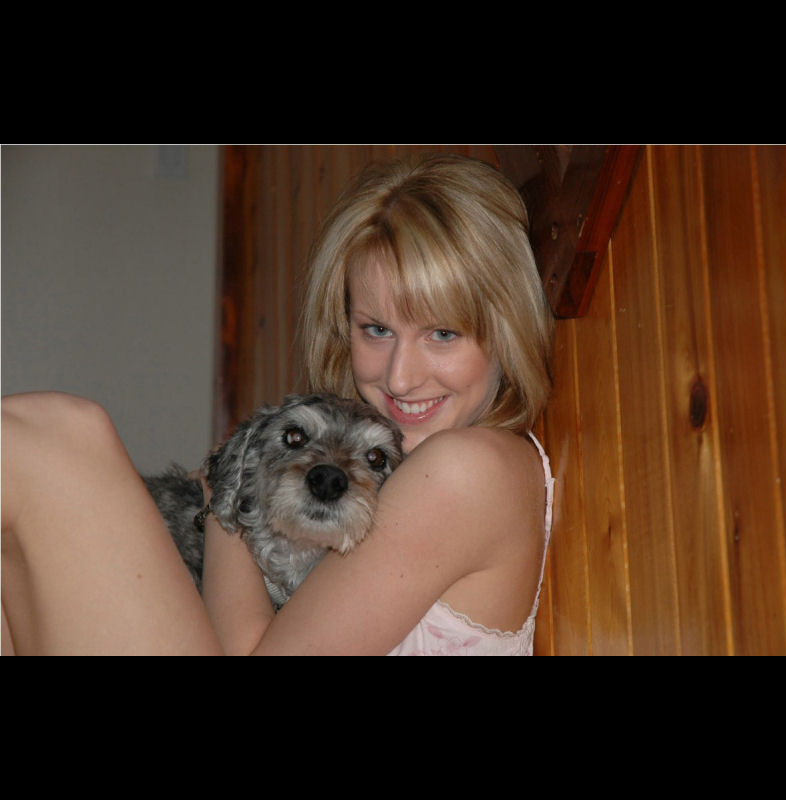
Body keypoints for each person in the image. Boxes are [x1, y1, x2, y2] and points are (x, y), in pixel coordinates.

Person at [1, 153, 555, 656]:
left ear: (506, 331)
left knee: (56, 437)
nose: (400, 377)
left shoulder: (468, 468)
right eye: (377, 329)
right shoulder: (434, 468)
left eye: (443, 333)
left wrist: (225, 492)